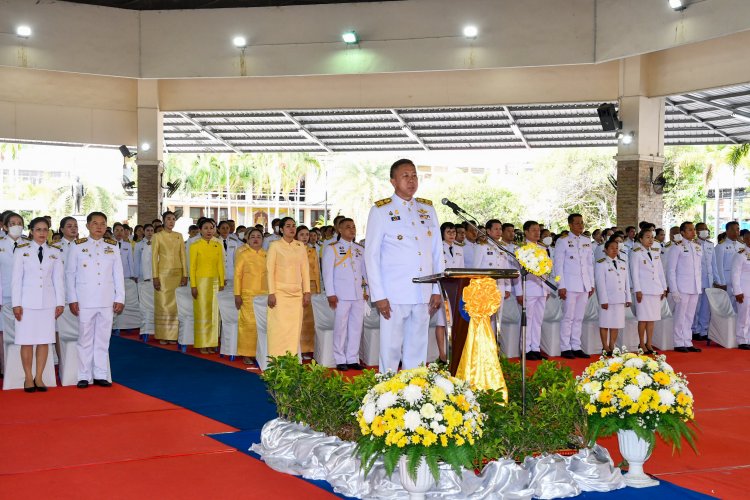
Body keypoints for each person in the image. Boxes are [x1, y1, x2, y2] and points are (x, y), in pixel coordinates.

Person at [364, 159, 443, 373]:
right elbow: (370, 256)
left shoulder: (427, 209)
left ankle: (413, 394)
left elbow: (437, 252)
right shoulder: (381, 210)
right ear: (393, 181)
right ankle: (386, 397)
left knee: (418, 351)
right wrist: (379, 295)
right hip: (393, 295)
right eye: (405, 176)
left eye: (414, 175)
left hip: (423, 293)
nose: (411, 180)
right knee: (390, 351)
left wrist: (437, 289)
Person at [66, 212, 125, 388]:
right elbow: (70, 274)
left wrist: (120, 297)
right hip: (85, 299)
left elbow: (118, 274)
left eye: (102, 224)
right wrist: (72, 299)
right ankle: (84, 375)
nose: (99, 227)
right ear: (88, 226)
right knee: (84, 338)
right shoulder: (77, 246)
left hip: (106, 299)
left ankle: (100, 374)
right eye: (95, 223)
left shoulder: (112, 246)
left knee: (103, 338)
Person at [12, 217, 65, 392]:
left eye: (45, 230)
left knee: (44, 341)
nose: (42, 233)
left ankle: (39, 377)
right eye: (38, 230)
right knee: (26, 341)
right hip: (26, 303)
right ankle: (28, 377)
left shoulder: (55, 252)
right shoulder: (21, 251)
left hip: (47, 303)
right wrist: (16, 304)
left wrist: (60, 302)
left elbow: (58, 279)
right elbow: (16, 280)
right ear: (31, 231)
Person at [322, 218, 368, 371]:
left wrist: (367, 291)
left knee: (356, 327)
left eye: (353, 227)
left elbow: (365, 272)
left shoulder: (359, 249)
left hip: (358, 294)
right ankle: (340, 358)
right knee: (340, 327)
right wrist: (330, 294)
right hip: (340, 294)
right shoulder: (332, 248)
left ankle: (352, 358)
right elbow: (327, 273)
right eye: (348, 227)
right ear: (339, 230)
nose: (352, 230)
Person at [552, 213, 595, 359]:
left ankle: (576, 346)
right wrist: (560, 285)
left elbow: (589, 265)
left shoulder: (586, 241)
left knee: (579, 317)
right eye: (577, 223)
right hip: (569, 285)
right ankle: (565, 347)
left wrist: (591, 284)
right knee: (568, 317)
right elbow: (558, 266)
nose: (581, 225)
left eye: (582, 223)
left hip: (584, 285)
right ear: (570, 224)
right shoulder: (563, 241)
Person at [266, 217, 311, 357]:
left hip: (297, 293)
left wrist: (307, 291)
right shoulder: (275, 245)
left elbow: (305, 270)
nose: (292, 229)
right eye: (288, 226)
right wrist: (271, 292)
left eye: (294, 226)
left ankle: (290, 360)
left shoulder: (300, 246)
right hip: (279, 293)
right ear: (281, 229)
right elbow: (270, 270)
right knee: (279, 328)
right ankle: (276, 360)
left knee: (294, 329)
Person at [515, 221, 551, 360]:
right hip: (528, 288)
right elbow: (518, 272)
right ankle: (525, 349)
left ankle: (535, 348)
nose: (537, 233)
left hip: (541, 289)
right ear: (526, 232)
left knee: (538, 320)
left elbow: (546, 271)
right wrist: (519, 291)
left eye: (538, 230)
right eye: (534, 230)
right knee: (527, 320)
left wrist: (546, 289)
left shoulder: (542, 248)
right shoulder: (521, 249)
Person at [151, 211, 188, 345]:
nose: (171, 221)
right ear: (163, 221)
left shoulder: (179, 236)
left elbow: (183, 256)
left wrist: (185, 275)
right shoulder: (157, 236)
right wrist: (155, 276)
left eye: (173, 219)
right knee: (163, 304)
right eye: (168, 219)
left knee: (175, 305)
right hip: (163, 274)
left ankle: (173, 335)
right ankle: (163, 334)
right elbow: (154, 258)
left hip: (177, 274)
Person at [666, 221, 703, 353]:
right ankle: (678, 342)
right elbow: (671, 270)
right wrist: (674, 289)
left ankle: (687, 341)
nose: (693, 232)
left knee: (690, 316)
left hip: (695, 286)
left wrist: (699, 286)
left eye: (694, 230)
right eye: (690, 230)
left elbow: (698, 269)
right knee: (680, 315)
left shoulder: (697, 247)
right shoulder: (677, 247)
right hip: (682, 287)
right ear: (682, 232)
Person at [234, 228, 268, 365]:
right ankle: (247, 353)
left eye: (258, 236)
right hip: (248, 294)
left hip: (265, 294)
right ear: (247, 239)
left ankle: (261, 352)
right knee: (248, 324)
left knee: (263, 324)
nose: (255, 239)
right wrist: (237, 294)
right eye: (252, 236)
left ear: (263, 239)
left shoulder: (267, 254)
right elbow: (237, 276)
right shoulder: (243, 254)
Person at [629, 229, 667, 354]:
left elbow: (660, 271)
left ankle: (649, 343)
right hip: (644, 290)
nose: (650, 240)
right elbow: (634, 274)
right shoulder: (636, 253)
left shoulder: (655, 252)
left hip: (655, 289)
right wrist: (638, 290)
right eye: (647, 237)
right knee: (643, 318)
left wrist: (664, 287)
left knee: (652, 319)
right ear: (641, 239)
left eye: (652, 237)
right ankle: (641, 343)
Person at [190, 219, 224, 354]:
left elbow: (220, 265)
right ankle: (202, 343)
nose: (209, 230)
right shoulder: (195, 245)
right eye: (206, 228)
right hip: (201, 283)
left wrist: (221, 282)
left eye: (212, 228)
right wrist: (193, 285)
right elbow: (192, 267)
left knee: (214, 314)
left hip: (215, 282)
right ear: (200, 230)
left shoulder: (218, 245)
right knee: (202, 313)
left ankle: (212, 343)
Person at [474, 219, 513, 333]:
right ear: (488, 231)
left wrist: (507, 287)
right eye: (496, 229)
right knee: (485, 318)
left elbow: (506, 268)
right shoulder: (481, 247)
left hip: (499, 287)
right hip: (485, 289)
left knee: (498, 319)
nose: (499, 231)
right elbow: (476, 269)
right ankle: (485, 346)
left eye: (500, 229)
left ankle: (495, 346)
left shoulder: (502, 247)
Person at [595, 238, 631, 356]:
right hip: (608, 299)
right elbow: (600, 283)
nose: (614, 250)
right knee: (605, 323)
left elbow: (627, 282)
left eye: (616, 248)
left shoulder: (622, 263)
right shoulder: (601, 264)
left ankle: (612, 345)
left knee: (616, 323)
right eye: (611, 248)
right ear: (605, 250)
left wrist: (628, 298)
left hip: (620, 298)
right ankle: (605, 346)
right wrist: (603, 300)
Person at [434, 222, 464, 363]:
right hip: (442, 287)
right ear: (442, 233)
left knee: (455, 321)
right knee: (442, 322)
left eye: (454, 232)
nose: (452, 235)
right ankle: (442, 354)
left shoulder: (459, 248)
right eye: (449, 232)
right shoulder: (438, 247)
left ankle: (454, 351)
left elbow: (462, 269)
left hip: (456, 289)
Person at [0, 212, 27, 343]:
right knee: (5, 334)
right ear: (5, 227)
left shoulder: (30, 245)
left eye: (19, 224)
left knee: (25, 333)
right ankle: (6, 362)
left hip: (26, 296)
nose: (17, 226)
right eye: (13, 224)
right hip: (4, 296)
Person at [296, 225, 320, 355]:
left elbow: (316, 270)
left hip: (310, 287)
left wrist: (317, 288)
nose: (305, 237)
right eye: (302, 235)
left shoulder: (312, 251)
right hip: (296, 286)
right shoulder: (293, 250)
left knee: (309, 320)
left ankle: (307, 349)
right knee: (297, 319)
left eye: (307, 235)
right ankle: (296, 348)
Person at [112, 222, 137, 336]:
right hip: (111, 278)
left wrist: (133, 275)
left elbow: (130, 261)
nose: (119, 233)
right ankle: (113, 325)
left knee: (124, 301)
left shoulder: (127, 245)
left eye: (121, 230)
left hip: (125, 276)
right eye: (116, 230)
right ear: (113, 232)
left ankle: (124, 325)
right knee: (113, 301)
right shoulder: (109, 244)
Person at [691, 222, 714, 341]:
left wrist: (715, 280)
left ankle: (703, 330)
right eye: (701, 229)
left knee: (706, 307)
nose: (705, 231)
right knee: (696, 306)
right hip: (697, 280)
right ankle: (694, 329)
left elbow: (713, 264)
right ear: (696, 231)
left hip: (708, 280)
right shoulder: (693, 245)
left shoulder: (710, 245)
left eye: (706, 228)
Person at [713, 221, 742, 313]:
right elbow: (718, 266)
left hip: (740, 281)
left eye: (737, 229)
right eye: (732, 230)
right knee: (726, 308)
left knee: (739, 307)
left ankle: (736, 326)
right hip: (726, 281)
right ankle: (726, 327)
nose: (735, 232)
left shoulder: (741, 246)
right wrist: (721, 282)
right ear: (727, 231)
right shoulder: (721, 246)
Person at [134, 224, 155, 341]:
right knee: (143, 305)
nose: (150, 232)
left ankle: (154, 329)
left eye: (152, 230)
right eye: (148, 230)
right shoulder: (138, 245)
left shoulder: (157, 243)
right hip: (143, 277)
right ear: (144, 232)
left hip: (155, 278)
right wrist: (136, 275)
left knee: (154, 305)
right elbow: (136, 261)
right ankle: (144, 330)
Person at [731, 229, 750, 351]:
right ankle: (742, 340)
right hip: (744, 290)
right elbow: (735, 274)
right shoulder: (740, 254)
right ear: (745, 239)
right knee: (744, 316)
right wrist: (737, 291)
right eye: (748, 238)